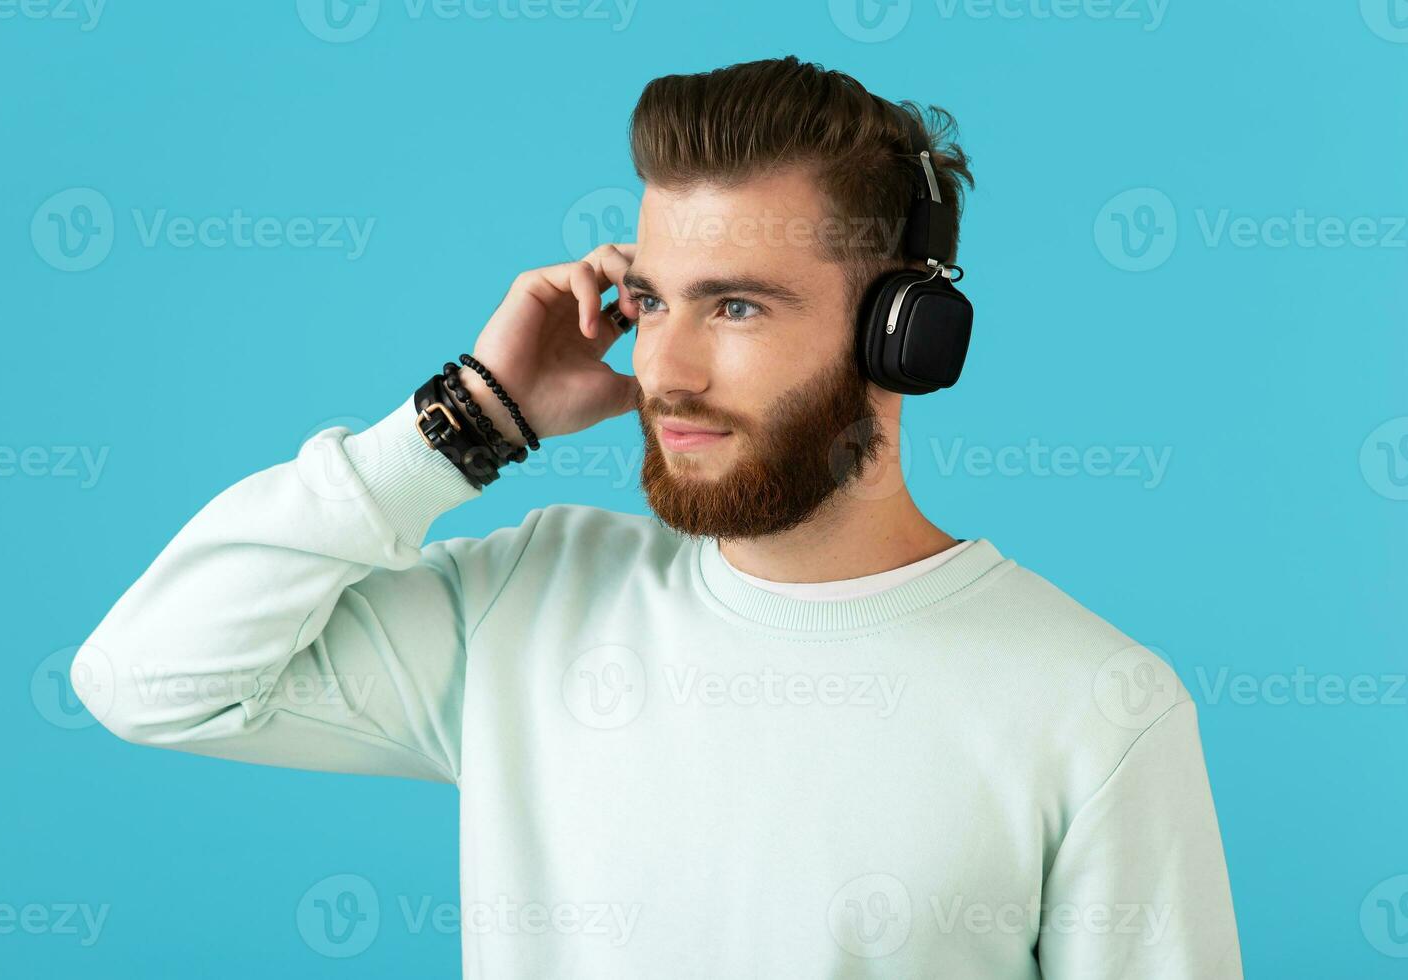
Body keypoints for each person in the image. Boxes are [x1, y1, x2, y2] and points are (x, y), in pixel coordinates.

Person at [74, 56, 1242, 978]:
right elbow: (149, 679)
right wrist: (466, 421)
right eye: (651, 300)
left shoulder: (1097, 708)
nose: (665, 366)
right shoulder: (531, 603)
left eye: (735, 304)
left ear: (906, 334)